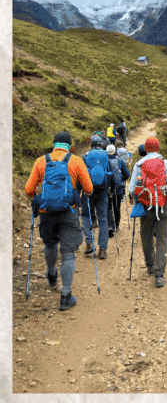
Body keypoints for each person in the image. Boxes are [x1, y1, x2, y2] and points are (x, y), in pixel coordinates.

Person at [24, 131, 94, 311]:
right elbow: (88, 188)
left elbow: (28, 189)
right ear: (69, 145)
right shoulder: (76, 161)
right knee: (68, 251)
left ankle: (52, 276)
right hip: (68, 212)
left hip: (46, 212)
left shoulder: (41, 161)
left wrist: (40, 196)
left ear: (54, 144)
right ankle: (66, 296)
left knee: (50, 245)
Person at [128, 137, 167, 288]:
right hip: (163, 204)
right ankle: (160, 274)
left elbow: (131, 189)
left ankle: (150, 265)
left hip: (146, 204)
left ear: (146, 148)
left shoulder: (139, 164)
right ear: (158, 147)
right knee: (162, 237)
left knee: (146, 234)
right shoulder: (166, 163)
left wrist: (135, 198)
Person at [82, 135, 112, 259]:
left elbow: (81, 173)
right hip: (103, 190)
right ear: (101, 144)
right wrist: (112, 188)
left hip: (88, 190)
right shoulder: (106, 155)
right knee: (103, 218)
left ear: (90, 145)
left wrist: (79, 190)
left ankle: (89, 243)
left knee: (85, 215)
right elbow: (111, 173)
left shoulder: (85, 156)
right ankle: (103, 250)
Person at [106, 144, 129, 237]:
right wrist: (120, 180)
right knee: (117, 207)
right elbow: (127, 174)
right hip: (118, 188)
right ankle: (116, 225)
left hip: (107, 189)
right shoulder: (119, 161)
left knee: (108, 207)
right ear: (115, 151)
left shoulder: (105, 161)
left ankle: (110, 226)